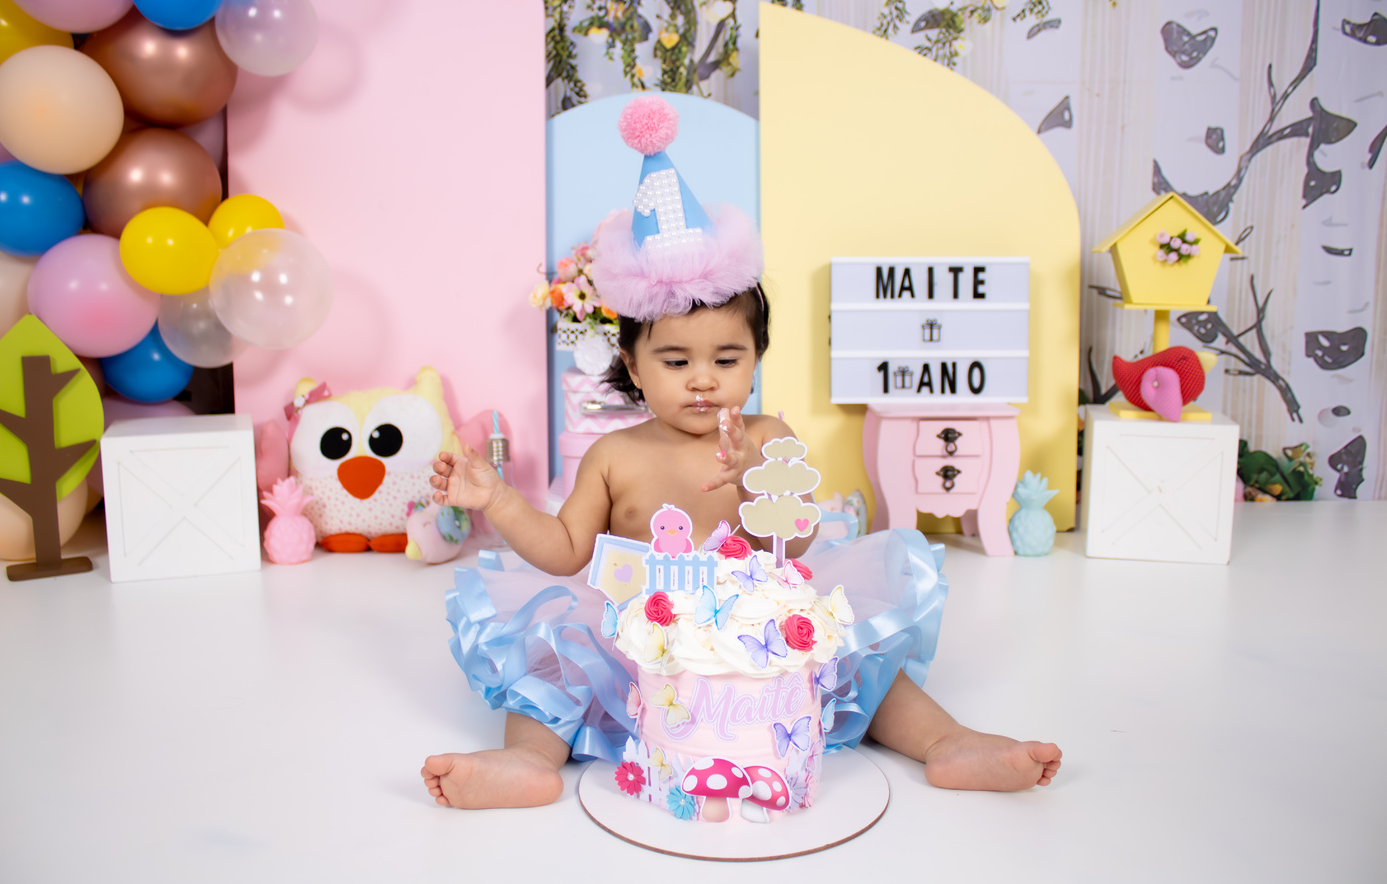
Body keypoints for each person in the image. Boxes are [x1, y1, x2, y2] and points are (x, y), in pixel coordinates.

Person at [419, 285, 1061, 809]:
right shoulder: (614, 454)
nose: (702, 380)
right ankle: (528, 760)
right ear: (634, 366)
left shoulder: (766, 435)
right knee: (556, 665)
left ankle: (948, 742)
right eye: (676, 362)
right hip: (644, 636)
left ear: (755, 359)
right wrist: (498, 500)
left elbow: (798, 538)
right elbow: (564, 551)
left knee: (861, 659)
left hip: (764, 629)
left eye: (726, 361)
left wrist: (757, 475)